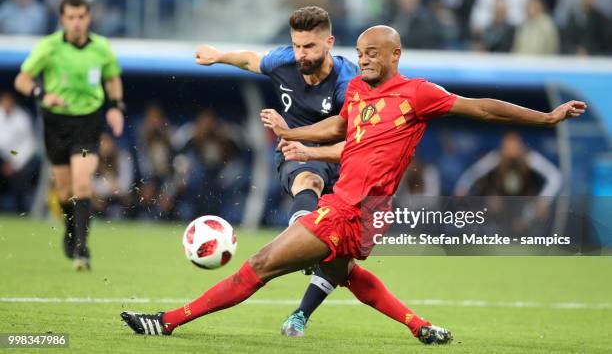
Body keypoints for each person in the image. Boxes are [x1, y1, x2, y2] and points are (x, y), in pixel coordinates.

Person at [120, 25, 585, 344]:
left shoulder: (418, 94)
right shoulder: (358, 91)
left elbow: (482, 107)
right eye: (360, 53)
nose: (363, 60)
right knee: (346, 276)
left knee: (260, 264)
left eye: (372, 54)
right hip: (356, 211)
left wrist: (545, 118)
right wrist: (294, 135)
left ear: (395, 55)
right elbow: (342, 133)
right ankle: (419, 326)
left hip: (352, 210)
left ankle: (167, 322)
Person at [192, 6, 359, 336]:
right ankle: (304, 237)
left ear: (329, 42)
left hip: (341, 159)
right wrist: (218, 56)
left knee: (344, 261)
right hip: (297, 157)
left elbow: (344, 131)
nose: (301, 54)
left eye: (309, 46)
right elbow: (250, 60)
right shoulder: (283, 62)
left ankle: (300, 315)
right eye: (297, 45)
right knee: (307, 179)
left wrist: (292, 133)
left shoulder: (347, 80)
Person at [14, 0, 125, 271]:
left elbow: (112, 79)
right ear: (63, 19)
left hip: (87, 124)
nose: (76, 23)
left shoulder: (101, 48)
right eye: (71, 18)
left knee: (82, 182)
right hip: (56, 124)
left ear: (88, 18)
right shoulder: (48, 47)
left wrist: (116, 107)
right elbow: (22, 79)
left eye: (81, 17)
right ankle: (71, 227)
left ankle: (82, 250)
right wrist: (42, 94)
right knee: (64, 192)